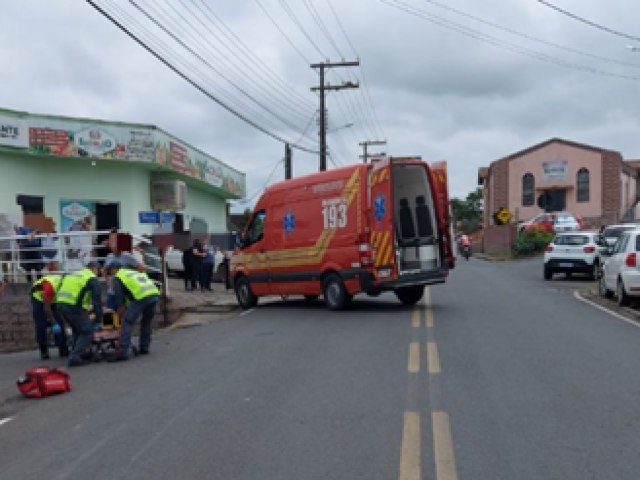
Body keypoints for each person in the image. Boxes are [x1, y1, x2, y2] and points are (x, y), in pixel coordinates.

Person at [108, 262, 160, 361]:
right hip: (153, 295)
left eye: (111, 271)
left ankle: (122, 352)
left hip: (141, 297)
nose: (111, 274)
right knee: (146, 322)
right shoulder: (133, 272)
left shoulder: (118, 277)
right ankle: (144, 347)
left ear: (114, 269)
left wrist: (120, 310)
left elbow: (119, 297)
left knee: (127, 322)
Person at [55, 260, 103, 367]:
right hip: (73, 306)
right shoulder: (92, 279)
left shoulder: (74, 274)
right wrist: (99, 318)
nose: (98, 273)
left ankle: (77, 353)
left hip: (60, 303)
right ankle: (75, 356)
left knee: (77, 330)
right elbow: (97, 301)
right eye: (98, 271)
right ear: (95, 269)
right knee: (87, 331)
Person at [31, 274, 69, 359]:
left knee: (60, 322)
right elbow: (46, 308)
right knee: (41, 324)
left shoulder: (67, 285)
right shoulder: (50, 286)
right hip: (38, 297)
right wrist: (53, 322)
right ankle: (44, 350)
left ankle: (63, 348)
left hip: (52, 299)